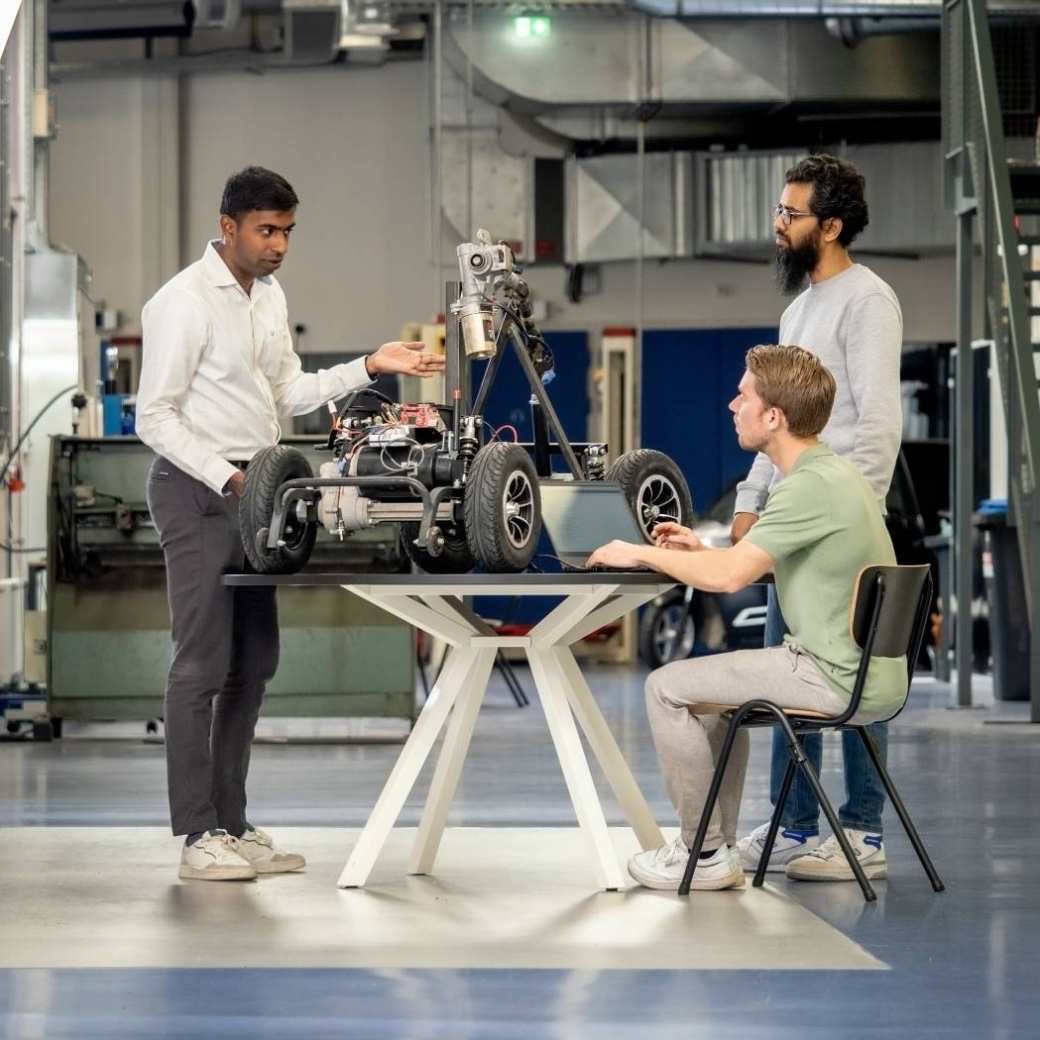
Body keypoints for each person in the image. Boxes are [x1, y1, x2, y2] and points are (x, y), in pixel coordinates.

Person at [137, 166, 445, 881]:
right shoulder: (180, 302)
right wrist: (229, 477)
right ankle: (195, 838)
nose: (278, 246)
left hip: (258, 487)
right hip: (197, 487)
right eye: (266, 231)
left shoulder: (269, 297)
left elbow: (290, 393)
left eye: (287, 232)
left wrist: (370, 364)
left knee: (254, 663)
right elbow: (155, 415)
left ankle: (232, 825)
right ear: (229, 227)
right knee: (201, 664)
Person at [587, 344, 903, 891]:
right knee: (708, 704)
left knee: (665, 688)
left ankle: (703, 852)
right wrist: (693, 551)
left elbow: (730, 578)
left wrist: (635, 552)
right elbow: (747, 564)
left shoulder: (805, 488)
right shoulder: (834, 477)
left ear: (774, 417)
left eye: (745, 396)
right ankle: (717, 849)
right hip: (868, 671)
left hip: (830, 673)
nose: (733, 405)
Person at [731, 154, 903, 883]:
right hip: (791, 522)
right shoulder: (799, 310)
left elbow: (879, 423)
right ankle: (797, 824)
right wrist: (748, 502)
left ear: (830, 226)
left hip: (841, 526)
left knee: (855, 673)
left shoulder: (869, 300)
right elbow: (780, 424)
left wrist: (850, 512)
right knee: (787, 678)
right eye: (780, 211)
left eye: (792, 215)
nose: (780, 226)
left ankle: (862, 830)